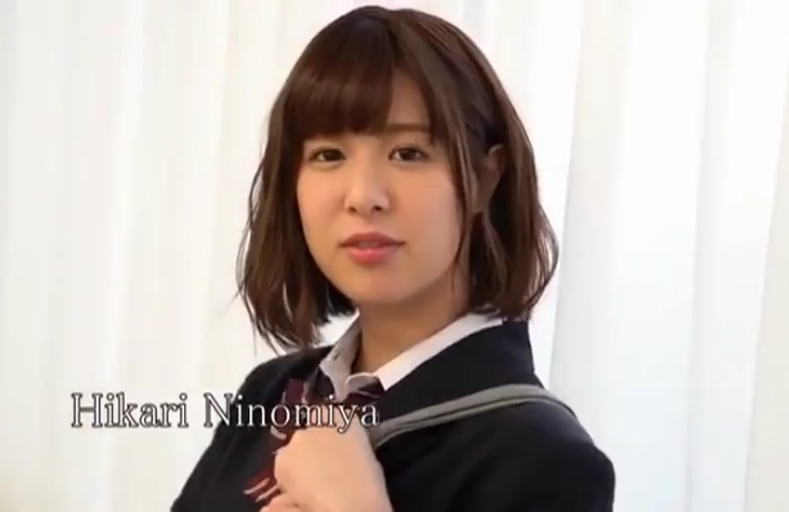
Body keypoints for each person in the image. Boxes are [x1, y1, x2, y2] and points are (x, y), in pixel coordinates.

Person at [171, 5, 615, 512]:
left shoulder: (546, 460)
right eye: (328, 155)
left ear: (485, 179)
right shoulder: (270, 394)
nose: (363, 196)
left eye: (408, 153)